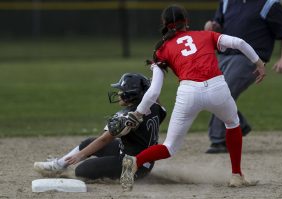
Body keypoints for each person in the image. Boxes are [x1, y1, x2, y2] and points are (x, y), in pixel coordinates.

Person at [119, 4, 266, 191]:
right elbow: (239, 43)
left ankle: (134, 162)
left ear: (164, 24)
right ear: (186, 22)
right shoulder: (205, 35)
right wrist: (259, 63)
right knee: (232, 123)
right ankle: (236, 175)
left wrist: (138, 113)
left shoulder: (161, 49)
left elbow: (154, 91)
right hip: (217, 87)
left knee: (170, 147)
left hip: (188, 93)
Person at [33, 73, 167, 181]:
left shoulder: (128, 116)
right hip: (144, 160)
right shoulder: (156, 107)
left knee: (82, 171)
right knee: (88, 143)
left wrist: (80, 155)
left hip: (131, 165)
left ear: (131, 95)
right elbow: (154, 97)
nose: (119, 94)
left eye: (122, 91)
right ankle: (59, 165)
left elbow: (104, 139)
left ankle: (127, 177)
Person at [203, 0, 282, 153]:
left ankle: (218, 140)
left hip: (250, 58)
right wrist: (211, 27)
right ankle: (240, 125)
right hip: (224, 55)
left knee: (223, 92)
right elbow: (217, 25)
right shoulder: (226, 2)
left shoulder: (268, 4)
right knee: (208, 91)